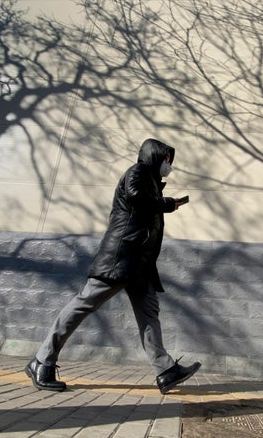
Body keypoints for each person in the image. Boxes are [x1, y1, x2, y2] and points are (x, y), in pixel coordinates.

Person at [25, 138, 201, 394]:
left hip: (139, 265)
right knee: (82, 305)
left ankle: (165, 370)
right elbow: (136, 197)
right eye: (166, 159)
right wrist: (166, 204)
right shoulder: (138, 172)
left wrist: (164, 203)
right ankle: (42, 360)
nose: (169, 165)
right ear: (155, 156)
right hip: (120, 260)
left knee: (149, 315)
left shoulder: (152, 181)